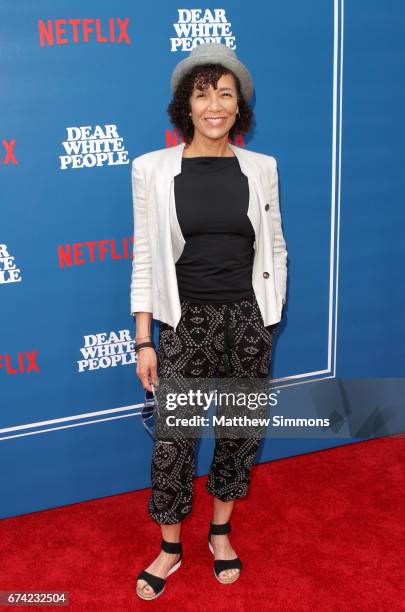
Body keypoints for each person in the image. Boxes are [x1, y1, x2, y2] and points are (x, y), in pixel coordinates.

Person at [130, 42, 288, 600]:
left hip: (248, 321)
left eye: (226, 94)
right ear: (186, 106)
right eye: (204, 94)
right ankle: (170, 547)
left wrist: (269, 316)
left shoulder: (261, 167)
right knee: (174, 440)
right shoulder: (151, 169)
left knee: (239, 433)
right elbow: (146, 258)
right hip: (183, 323)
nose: (215, 105)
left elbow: (274, 245)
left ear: (239, 106)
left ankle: (220, 532)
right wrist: (145, 338)